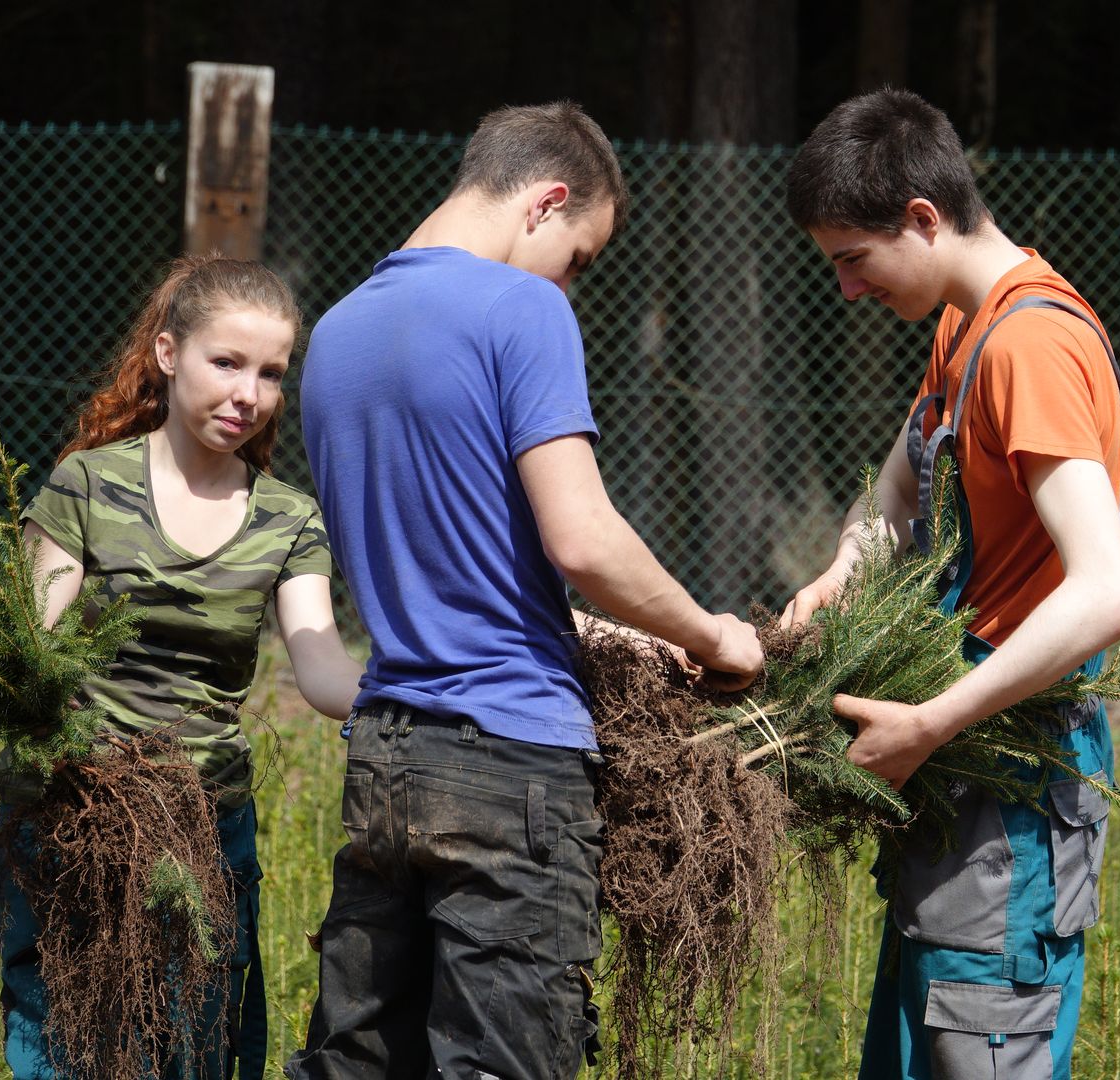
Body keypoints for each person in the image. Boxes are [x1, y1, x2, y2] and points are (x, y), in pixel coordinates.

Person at [286, 100, 764, 1080]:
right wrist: (715, 635)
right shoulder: (523, 308)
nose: (572, 287)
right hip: (510, 767)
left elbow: (461, 570)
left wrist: (633, 641)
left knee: (359, 1063)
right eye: (581, 259)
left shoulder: (337, 333)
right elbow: (581, 539)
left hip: (382, 758)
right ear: (547, 203)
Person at [781, 89, 1120, 1079]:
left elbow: (1109, 589)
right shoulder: (963, 329)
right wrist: (833, 587)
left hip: (1011, 786)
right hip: (954, 781)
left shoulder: (1031, 346)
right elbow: (899, 496)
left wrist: (932, 721)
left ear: (923, 220)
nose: (847, 290)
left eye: (853, 259)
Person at [0, 254, 364, 1079]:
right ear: (166, 354)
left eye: (270, 373)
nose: (248, 394)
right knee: (63, 1045)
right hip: (72, 818)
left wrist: (425, 689)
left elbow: (324, 667)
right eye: (225, 362)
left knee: (193, 1046)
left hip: (203, 824)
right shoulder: (87, 484)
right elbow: (30, 646)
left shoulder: (288, 518)